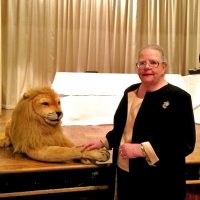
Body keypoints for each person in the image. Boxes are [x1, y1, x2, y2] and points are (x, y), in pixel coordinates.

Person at [82, 44, 196, 200]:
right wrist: (104, 142)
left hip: (158, 180)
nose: (146, 67)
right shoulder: (131, 91)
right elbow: (123, 127)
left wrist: (141, 149)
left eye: (153, 62)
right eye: (142, 63)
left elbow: (185, 143)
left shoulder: (179, 98)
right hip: (124, 169)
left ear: (163, 67)